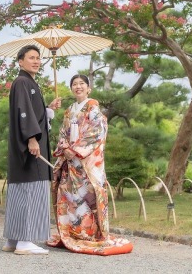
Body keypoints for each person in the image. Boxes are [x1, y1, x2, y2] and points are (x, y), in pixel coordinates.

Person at [46, 74, 133, 255]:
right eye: (74, 84)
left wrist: (76, 150)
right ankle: (73, 232)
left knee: (88, 195)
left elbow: (97, 132)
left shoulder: (93, 107)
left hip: (85, 160)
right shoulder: (69, 110)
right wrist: (65, 148)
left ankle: (91, 233)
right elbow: (62, 133)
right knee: (70, 195)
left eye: (81, 84)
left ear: (88, 88)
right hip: (70, 159)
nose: (78, 87)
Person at [2, 44, 61, 255]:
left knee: (20, 193)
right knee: (31, 191)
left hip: (24, 149)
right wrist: (32, 138)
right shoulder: (22, 82)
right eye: (31, 57)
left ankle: (13, 240)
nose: (36, 61)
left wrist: (48, 109)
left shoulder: (28, 83)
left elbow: (33, 113)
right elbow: (24, 113)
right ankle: (25, 242)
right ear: (20, 61)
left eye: (38, 58)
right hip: (29, 147)